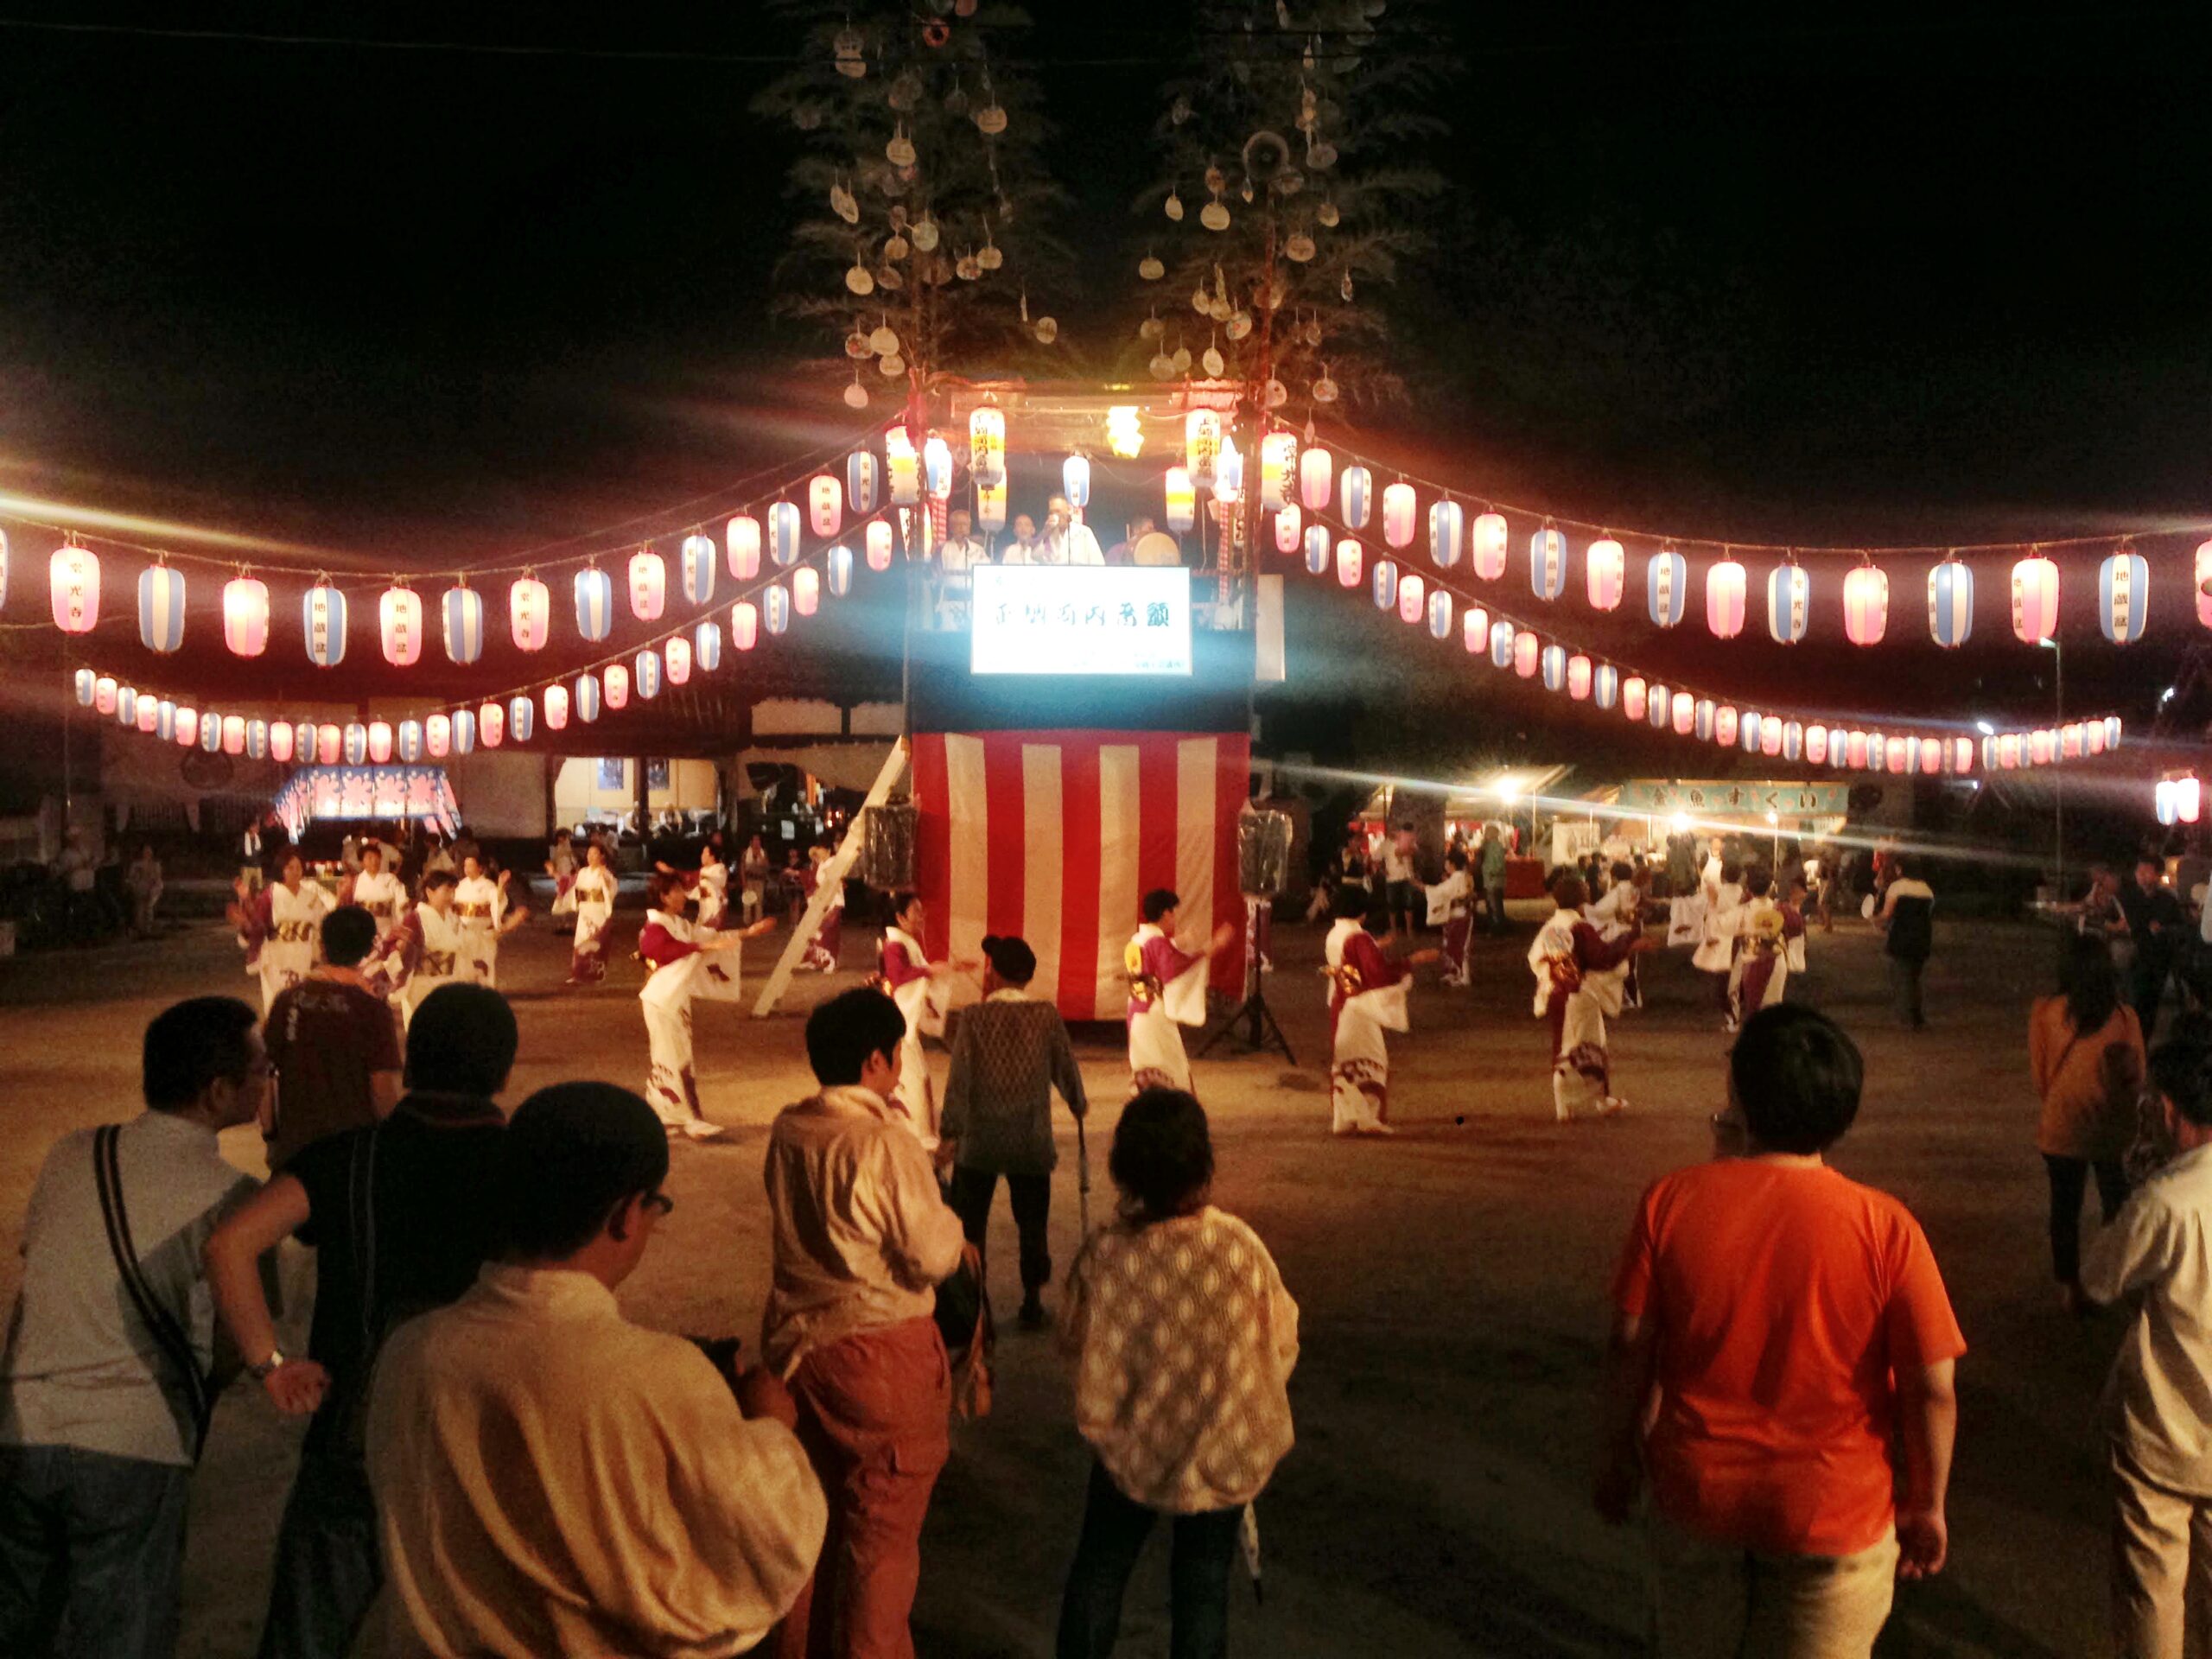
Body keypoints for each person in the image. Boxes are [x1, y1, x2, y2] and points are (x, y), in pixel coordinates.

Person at [365, 1082, 827, 1657]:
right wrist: (772, 1429)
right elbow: (769, 1548)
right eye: (656, 1205)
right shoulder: (659, 1376)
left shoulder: (410, 1353)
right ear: (626, 1216)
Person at [1596, 1005, 1964, 1658]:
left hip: (1698, 1498)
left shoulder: (1671, 1200)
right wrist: (1927, 1502)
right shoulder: (1887, 1228)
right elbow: (1932, 1387)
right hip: (1832, 1511)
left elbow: (1631, 1346)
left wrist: (1619, 1454)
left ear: (1739, 1095)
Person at [205, 983, 519, 1659]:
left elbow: (229, 1245)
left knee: (313, 1634)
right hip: (484, 1441)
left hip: (357, 1432)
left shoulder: (350, 1157)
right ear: (504, 1068)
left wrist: (271, 1365)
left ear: (413, 1060)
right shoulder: (527, 1166)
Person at [0, 997, 273, 1659]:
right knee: (121, 1635)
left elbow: (47, 1275)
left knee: (18, 1628)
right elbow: (239, 1348)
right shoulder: (237, 1200)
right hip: (134, 1445)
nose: (269, 1079)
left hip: (22, 1429)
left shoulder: (74, 1153)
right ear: (218, 1091)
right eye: (260, 1069)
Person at [1055, 1088, 1298, 1659]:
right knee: (1203, 1585)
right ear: (1202, 1163)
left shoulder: (1105, 1254)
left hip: (1130, 1445)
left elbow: (1074, 1345)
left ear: (1126, 1169)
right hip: (1221, 1442)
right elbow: (1280, 1340)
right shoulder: (1240, 1248)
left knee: (1102, 1567)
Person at [761, 988, 967, 1659]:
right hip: (880, 1357)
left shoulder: (790, 1129)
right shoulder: (884, 1140)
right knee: (881, 1545)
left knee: (813, 1529)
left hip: (798, 1352)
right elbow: (931, 1254)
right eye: (898, 1055)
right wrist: (954, 1225)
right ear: (876, 1060)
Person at [2082, 1036, 2212, 1658]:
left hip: (2164, 1428)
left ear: (2166, 1109)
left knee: (2152, 1590)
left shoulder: (2167, 1201)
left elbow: (2100, 1278)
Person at [941, 935, 1088, 1329]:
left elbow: (960, 1081)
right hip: (1030, 1139)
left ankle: (975, 1307)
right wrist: (1078, 1103)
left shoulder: (972, 1018)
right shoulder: (1046, 1016)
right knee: (1032, 1223)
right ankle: (1031, 1301)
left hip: (979, 1141)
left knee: (970, 1225)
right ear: (1029, 976)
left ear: (994, 973)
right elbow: (1065, 1068)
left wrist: (949, 1133)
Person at [2031, 934, 2147, 1314]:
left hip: (2061, 1126)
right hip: (2111, 1129)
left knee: (2064, 1209)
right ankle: (2116, 1279)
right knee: (2117, 1206)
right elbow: (2138, 1077)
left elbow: (2041, 1078)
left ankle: (2070, 1287)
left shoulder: (2046, 1012)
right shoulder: (2124, 1017)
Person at [263, 907, 404, 1173]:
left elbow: (264, 1076)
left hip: (296, 1148)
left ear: (321, 944)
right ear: (367, 948)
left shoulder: (286, 1001)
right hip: (353, 1152)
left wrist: (271, 1136)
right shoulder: (372, 1009)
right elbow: (381, 1089)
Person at [638, 871, 774, 1141]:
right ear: (664, 897)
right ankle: (690, 1119)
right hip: (661, 1000)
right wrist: (702, 947)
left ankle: (667, 1114)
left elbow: (712, 935)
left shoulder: (678, 924)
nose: (683, 895)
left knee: (678, 1058)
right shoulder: (655, 927)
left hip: (674, 999)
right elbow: (658, 950)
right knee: (672, 1058)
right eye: (677, 890)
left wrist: (748, 932)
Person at [1530, 871, 1655, 1121]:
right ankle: (1566, 1101)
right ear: (1580, 898)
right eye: (1584, 889)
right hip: (1579, 995)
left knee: (1581, 1044)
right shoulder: (1579, 927)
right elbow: (1602, 958)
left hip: (1558, 993)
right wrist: (1629, 941)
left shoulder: (1551, 927)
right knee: (1579, 1048)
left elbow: (1535, 958)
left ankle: (1600, 1098)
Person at [1324, 893, 1438, 1136]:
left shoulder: (1335, 935)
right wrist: (1411, 961)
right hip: (1358, 1006)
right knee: (1371, 1061)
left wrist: (1377, 946)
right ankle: (1368, 1117)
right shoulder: (1358, 937)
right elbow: (1377, 972)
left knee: (1344, 1062)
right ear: (1362, 914)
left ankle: (1343, 1117)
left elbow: (1350, 960)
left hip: (1340, 1002)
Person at [877, 892, 967, 1147]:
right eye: (916, 911)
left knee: (916, 1078)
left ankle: (917, 1130)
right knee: (913, 1080)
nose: (921, 917)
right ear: (900, 917)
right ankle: (917, 1134)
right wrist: (929, 970)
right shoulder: (896, 945)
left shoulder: (903, 943)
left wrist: (944, 970)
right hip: (899, 1026)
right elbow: (898, 977)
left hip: (902, 1026)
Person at [1124, 888, 1236, 1096]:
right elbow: (1177, 968)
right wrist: (1213, 946)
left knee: (1144, 1068)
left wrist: (1182, 941)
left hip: (1135, 1012)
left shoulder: (1136, 940)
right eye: (1173, 912)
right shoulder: (1158, 944)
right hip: (1153, 1015)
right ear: (1165, 914)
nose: (1174, 917)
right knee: (1172, 1069)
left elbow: (1161, 953)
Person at [233, 852, 336, 1014]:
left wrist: (322, 951)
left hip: (302, 955)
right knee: (278, 1003)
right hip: (277, 957)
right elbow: (257, 926)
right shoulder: (270, 895)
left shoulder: (310, 897)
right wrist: (246, 921)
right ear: (281, 870)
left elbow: (321, 925)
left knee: (300, 1003)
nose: (295, 871)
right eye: (290, 868)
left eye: (298, 867)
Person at [365, 869, 467, 1028]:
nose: (452, 896)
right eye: (447, 890)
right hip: (422, 986)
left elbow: (461, 951)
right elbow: (396, 951)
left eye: (454, 890)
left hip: (449, 983)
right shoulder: (415, 919)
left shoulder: (453, 918)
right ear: (430, 892)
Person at [2119, 856, 2186, 1043]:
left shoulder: (2168, 900)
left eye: (2146, 871)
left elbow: (2178, 926)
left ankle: (2142, 1043)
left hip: (2158, 959)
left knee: (2150, 1005)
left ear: (2157, 875)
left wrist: (2162, 929)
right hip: (2134, 956)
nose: (2141, 876)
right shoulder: (2129, 897)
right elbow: (2124, 924)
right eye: (2139, 871)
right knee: (2132, 1002)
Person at [1726, 867, 1793, 1025]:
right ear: (1771, 886)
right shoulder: (1780, 908)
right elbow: (1794, 929)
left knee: (1755, 1007)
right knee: (1773, 1005)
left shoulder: (1743, 910)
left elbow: (1724, 928)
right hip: (1776, 959)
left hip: (1752, 958)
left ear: (1748, 888)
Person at [1876, 855, 1936, 1029]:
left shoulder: (1897, 887)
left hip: (1902, 937)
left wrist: (1876, 920)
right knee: (1914, 978)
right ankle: (1917, 1016)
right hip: (1923, 937)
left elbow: (1887, 914)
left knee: (1901, 977)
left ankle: (1905, 1018)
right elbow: (1928, 913)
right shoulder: (1927, 889)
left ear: (1900, 869)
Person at [452, 854, 523, 987]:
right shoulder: (461, 885)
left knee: (484, 962)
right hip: (465, 931)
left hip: (483, 932)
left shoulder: (488, 885)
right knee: (464, 962)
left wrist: (501, 885)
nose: (467, 869)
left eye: (471, 865)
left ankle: (485, 990)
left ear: (480, 868)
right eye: (465, 865)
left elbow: (498, 900)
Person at [556, 839, 620, 986]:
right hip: (585, 910)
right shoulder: (583, 872)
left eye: (595, 854)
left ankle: (596, 974)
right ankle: (578, 973)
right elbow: (573, 887)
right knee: (581, 941)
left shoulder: (605, 872)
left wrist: (606, 878)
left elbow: (612, 888)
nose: (591, 857)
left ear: (601, 856)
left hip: (598, 910)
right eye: (589, 854)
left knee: (597, 941)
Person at [1692, 857, 1745, 1030]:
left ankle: (1733, 1019)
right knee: (1732, 983)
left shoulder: (1721, 894)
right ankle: (1734, 1017)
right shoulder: (1742, 894)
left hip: (1723, 942)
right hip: (1737, 941)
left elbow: (1712, 913)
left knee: (1725, 985)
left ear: (1722, 876)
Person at [1427, 848, 1474, 987]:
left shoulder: (1460, 878)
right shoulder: (1456, 878)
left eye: (1447, 862)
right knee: (1450, 945)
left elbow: (1465, 897)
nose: (1445, 865)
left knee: (1459, 947)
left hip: (1460, 916)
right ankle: (1454, 972)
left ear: (1452, 864)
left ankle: (1464, 976)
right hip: (1453, 916)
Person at [338, 843, 407, 938]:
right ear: (362, 862)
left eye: (377, 858)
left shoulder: (390, 879)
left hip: (386, 929)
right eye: (370, 858)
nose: (374, 861)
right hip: (362, 928)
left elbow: (401, 904)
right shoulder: (354, 882)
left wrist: (399, 925)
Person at [933, 506, 986, 626]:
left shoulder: (978, 550)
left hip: (971, 602)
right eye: (958, 524)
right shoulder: (942, 549)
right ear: (951, 527)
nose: (962, 528)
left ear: (969, 527)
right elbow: (935, 574)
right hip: (950, 601)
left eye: (965, 524)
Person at [799, 845, 845, 973]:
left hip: (835, 902)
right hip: (824, 903)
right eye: (818, 854)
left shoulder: (834, 861)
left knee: (828, 933)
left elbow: (834, 877)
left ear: (828, 851)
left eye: (822, 852)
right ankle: (818, 960)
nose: (820, 855)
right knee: (818, 933)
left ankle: (831, 961)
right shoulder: (820, 864)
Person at [1379, 823, 1419, 943]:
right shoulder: (1386, 844)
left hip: (1407, 877)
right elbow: (1376, 858)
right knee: (1392, 906)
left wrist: (1406, 849)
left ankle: (1409, 930)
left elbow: (1414, 851)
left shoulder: (1411, 841)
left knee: (1409, 904)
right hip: (1392, 878)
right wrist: (1383, 871)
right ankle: (1394, 931)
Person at [1040, 493, 1105, 565]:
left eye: (1058, 511)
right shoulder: (1048, 536)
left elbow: (1098, 562)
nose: (1055, 515)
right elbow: (1035, 557)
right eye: (1051, 512)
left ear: (1068, 510)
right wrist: (1044, 533)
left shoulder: (1084, 533)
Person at [124, 842, 165, 939]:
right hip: (140, 888)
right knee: (140, 905)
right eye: (145, 851)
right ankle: (141, 928)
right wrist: (134, 883)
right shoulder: (136, 865)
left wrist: (153, 887)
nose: (147, 853)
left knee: (148, 905)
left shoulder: (155, 865)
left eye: (149, 851)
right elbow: (131, 878)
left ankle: (148, 928)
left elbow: (157, 878)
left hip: (153, 888)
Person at [1479, 824, 1510, 935]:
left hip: (1492, 880)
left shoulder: (1494, 847)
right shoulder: (1491, 847)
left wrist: (1491, 872)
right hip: (1492, 880)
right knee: (1495, 906)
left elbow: (1498, 865)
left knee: (1494, 907)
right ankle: (1497, 928)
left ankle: (1497, 929)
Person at [742, 834, 773, 924]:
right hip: (749, 879)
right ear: (751, 842)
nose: (756, 842)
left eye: (758, 840)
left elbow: (767, 866)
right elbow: (742, 867)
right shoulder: (746, 853)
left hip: (759, 879)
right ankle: (747, 921)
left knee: (759, 902)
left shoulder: (763, 852)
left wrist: (760, 855)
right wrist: (743, 880)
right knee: (747, 901)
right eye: (755, 840)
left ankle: (758, 920)